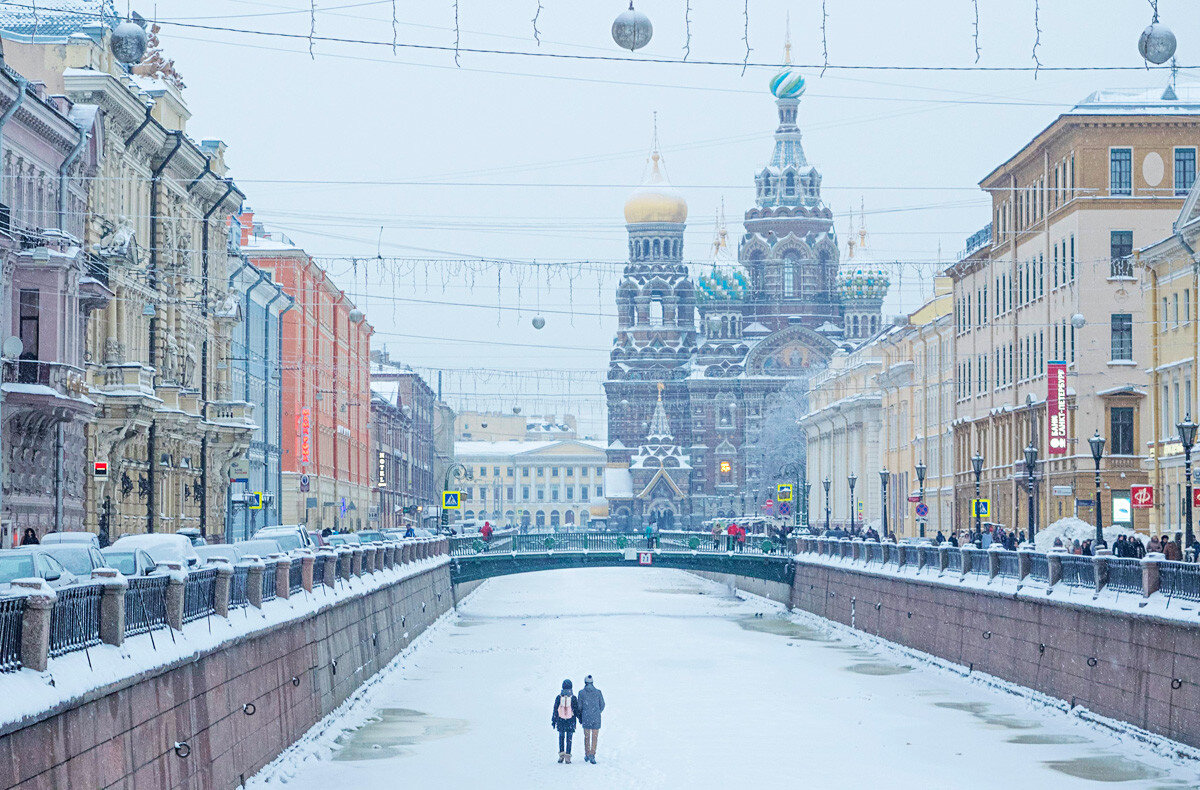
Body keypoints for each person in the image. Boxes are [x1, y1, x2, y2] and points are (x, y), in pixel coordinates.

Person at [577, 675, 605, 764]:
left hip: (586, 717)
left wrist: (584, 713)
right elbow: (602, 705)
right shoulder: (598, 692)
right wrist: (597, 712)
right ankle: (593, 754)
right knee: (594, 737)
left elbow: (579, 707)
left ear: (585, 683)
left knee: (587, 737)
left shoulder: (581, 693)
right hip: (596, 717)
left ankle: (587, 754)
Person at [552, 679, 580, 763]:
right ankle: (568, 757)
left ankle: (561, 756)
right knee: (569, 738)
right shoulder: (573, 698)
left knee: (561, 737)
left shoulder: (559, 697)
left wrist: (554, 720)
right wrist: (580, 719)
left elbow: (555, 709)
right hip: (570, 721)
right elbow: (576, 711)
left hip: (561, 720)